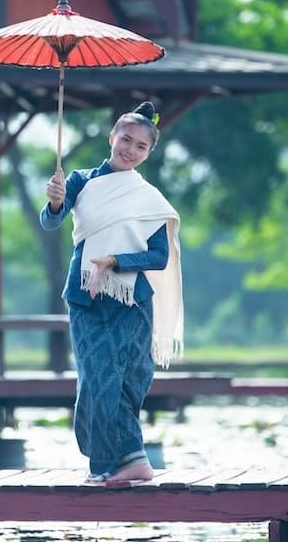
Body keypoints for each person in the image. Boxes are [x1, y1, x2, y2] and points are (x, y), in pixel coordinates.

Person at [40, 101, 183, 484]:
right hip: (86, 298)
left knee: (127, 380)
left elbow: (158, 256)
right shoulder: (80, 181)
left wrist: (114, 261)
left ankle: (117, 464)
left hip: (131, 302)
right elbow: (51, 220)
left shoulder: (148, 198)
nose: (130, 150)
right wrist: (55, 201)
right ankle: (119, 461)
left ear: (149, 153)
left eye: (140, 146)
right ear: (112, 137)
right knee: (95, 378)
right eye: (126, 139)